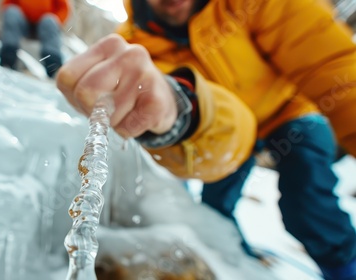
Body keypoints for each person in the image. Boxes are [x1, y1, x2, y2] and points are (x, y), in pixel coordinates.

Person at [57, 0, 356, 279]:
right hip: (222, 127)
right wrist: (176, 108)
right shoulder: (136, 47)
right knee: (216, 210)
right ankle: (241, 264)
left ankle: (346, 269)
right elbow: (207, 137)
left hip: (290, 111)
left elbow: (333, 68)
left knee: (309, 201)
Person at [0, 0, 70, 77]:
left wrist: (57, 20)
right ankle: (7, 60)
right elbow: (8, 2)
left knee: (50, 20)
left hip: (45, 25)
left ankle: (54, 67)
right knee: (12, 12)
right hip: (22, 22)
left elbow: (63, 8)